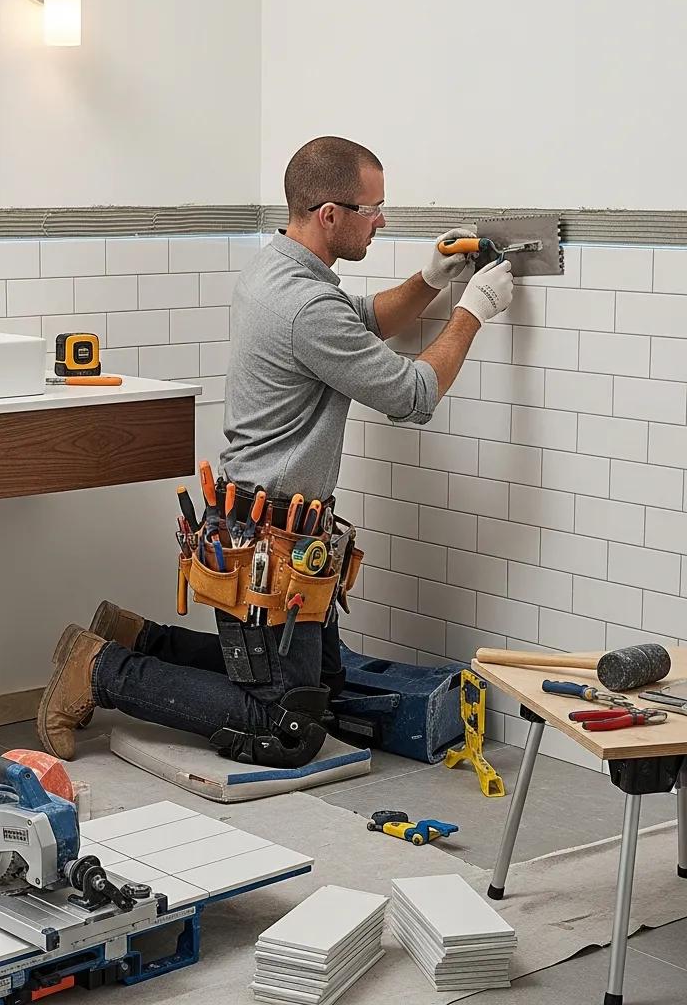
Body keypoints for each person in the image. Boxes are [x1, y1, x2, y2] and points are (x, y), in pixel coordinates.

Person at [38, 135, 513, 764]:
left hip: (274, 531)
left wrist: (431, 281)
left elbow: (361, 318)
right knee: (286, 727)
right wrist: (473, 311)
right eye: (373, 209)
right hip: (266, 546)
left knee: (326, 691)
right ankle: (101, 670)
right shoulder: (305, 304)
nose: (383, 220)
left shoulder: (280, 267)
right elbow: (412, 393)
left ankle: (139, 640)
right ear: (330, 215)